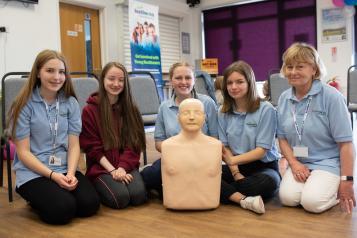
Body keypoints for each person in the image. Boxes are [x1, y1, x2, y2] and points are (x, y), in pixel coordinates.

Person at [10, 49, 100, 224]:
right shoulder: (24, 104)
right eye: (49, 71)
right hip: (33, 172)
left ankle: (54, 194)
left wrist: (72, 173)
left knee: (90, 205)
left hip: (64, 167)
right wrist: (52, 176)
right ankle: (35, 197)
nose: (57, 77)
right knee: (62, 210)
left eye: (61, 72)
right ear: (37, 73)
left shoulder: (70, 103)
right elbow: (23, 153)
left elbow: (74, 145)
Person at [277, 42, 356, 213]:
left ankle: (332, 192)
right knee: (288, 198)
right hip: (299, 162)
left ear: (314, 69)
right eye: (289, 66)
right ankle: (314, 187)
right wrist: (294, 163)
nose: (293, 71)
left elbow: (346, 144)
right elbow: (282, 138)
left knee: (312, 203)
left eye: (300, 66)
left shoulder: (331, 97)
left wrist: (347, 180)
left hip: (327, 162)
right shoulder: (284, 98)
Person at [141, 62, 218, 196]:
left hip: (202, 159)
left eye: (188, 78)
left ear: (194, 80)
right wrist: (178, 151)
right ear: (171, 81)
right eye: (178, 78)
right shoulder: (164, 107)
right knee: (148, 175)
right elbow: (159, 143)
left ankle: (170, 190)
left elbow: (215, 138)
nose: (184, 82)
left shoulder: (207, 103)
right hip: (173, 158)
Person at [80, 62, 147, 209]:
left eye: (121, 80)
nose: (116, 84)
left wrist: (122, 168)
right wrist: (112, 170)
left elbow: (134, 144)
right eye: (111, 79)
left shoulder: (131, 108)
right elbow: (93, 149)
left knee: (138, 196)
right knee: (120, 199)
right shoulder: (89, 110)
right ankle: (96, 186)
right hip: (102, 167)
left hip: (125, 166)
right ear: (103, 79)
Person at [218, 60, 281, 214]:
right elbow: (225, 147)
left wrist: (232, 161)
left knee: (266, 184)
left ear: (250, 82)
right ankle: (244, 200)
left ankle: (220, 192)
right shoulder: (222, 111)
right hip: (236, 167)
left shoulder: (266, 109)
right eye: (230, 83)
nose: (233, 87)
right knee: (202, 173)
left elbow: (262, 150)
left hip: (264, 167)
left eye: (239, 82)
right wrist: (235, 172)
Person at [161, 98, 222, 209]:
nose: (192, 117)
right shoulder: (167, 146)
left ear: (204, 118)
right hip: (173, 205)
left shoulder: (216, 146)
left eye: (197, 113)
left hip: (210, 204)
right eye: (186, 113)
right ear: (178, 118)